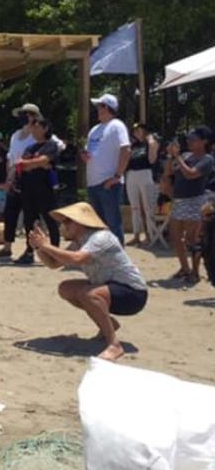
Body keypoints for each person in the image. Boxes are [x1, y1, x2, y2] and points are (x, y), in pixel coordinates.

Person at [29, 202, 148, 362]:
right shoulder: (80, 241)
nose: (64, 225)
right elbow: (53, 264)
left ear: (80, 222)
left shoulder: (100, 237)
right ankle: (109, 325)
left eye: (68, 221)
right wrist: (39, 247)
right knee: (66, 288)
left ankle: (114, 345)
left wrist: (46, 245)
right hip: (111, 289)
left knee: (89, 294)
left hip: (133, 293)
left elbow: (77, 259)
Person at [0, 103, 42, 260]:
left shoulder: (38, 134)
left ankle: (30, 250)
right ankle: (7, 246)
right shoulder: (16, 135)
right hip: (15, 177)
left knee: (30, 215)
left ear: (34, 117)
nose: (23, 117)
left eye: (26, 114)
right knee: (10, 213)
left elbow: (56, 146)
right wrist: (8, 178)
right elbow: (11, 157)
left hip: (31, 178)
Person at [167, 128, 214, 283]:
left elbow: (191, 174)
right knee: (175, 237)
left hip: (195, 200)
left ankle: (195, 272)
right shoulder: (186, 156)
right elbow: (170, 172)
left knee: (192, 239)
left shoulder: (207, 159)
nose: (189, 142)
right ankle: (184, 268)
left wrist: (177, 157)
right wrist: (171, 156)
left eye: (193, 139)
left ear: (204, 141)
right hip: (179, 200)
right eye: (188, 139)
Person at [82, 93, 131, 243]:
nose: (97, 109)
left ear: (108, 108)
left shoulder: (117, 125)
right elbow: (90, 153)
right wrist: (84, 155)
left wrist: (117, 176)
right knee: (97, 225)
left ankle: (118, 254)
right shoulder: (94, 129)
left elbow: (126, 149)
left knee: (113, 223)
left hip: (108, 184)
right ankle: (102, 254)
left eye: (100, 106)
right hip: (93, 183)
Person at [13, 118, 61, 264]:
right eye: (32, 127)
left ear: (45, 129)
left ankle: (55, 252)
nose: (33, 130)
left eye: (36, 127)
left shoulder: (51, 145)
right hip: (28, 189)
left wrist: (32, 163)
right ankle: (29, 252)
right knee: (29, 222)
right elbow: (21, 165)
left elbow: (44, 161)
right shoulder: (30, 148)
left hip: (45, 189)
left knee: (50, 220)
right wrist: (34, 164)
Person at [125, 122, 159, 246]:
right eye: (135, 131)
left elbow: (152, 159)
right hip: (132, 173)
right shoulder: (134, 145)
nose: (136, 133)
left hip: (145, 172)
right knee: (134, 206)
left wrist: (150, 141)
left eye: (139, 130)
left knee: (147, 206)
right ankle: (136, 235)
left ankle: (150, 234)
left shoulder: (150, 143)